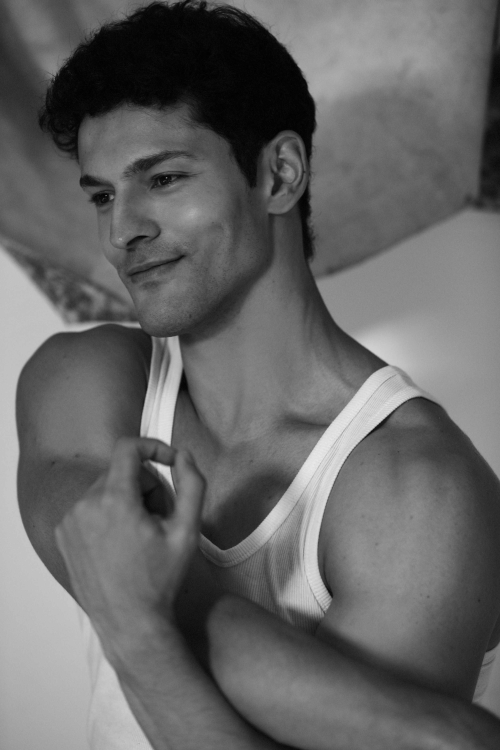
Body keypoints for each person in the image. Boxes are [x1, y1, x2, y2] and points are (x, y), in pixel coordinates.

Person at [16, 1, 500, 747]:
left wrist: (139, 628)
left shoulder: (419, 495)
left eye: (163, 178)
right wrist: (432, 731)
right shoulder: (80, 383)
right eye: (103, 195)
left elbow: (133, 598)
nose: (121, 231)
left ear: (279, 174)